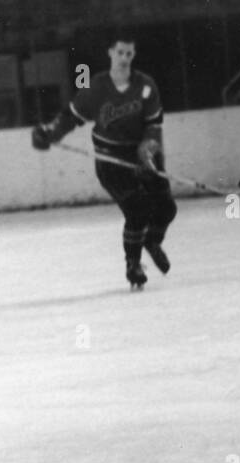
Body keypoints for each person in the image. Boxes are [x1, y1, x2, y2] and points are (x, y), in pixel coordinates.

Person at [30, 28, 176, 289]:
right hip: (112, 161)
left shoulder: (145, 85)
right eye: (120, 52)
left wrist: (148, 152)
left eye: (129, 53)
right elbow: (70, 117)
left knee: (167, 208)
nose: (124, 58)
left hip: (143, 155)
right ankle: (133, 264)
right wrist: (50, 134)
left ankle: (152, 242)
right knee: (138, 210)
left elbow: (154, 125)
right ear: (110, 52)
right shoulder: (96, 87)